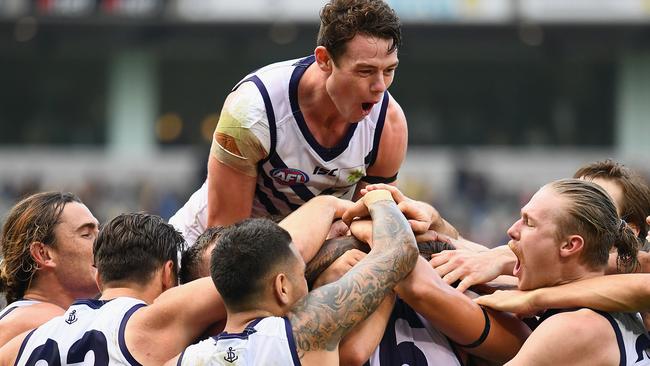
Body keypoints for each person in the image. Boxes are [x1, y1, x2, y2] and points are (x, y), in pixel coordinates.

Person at [170, 0, 409, 244]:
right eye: (365, 71)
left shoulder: (388, 124)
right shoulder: (253, 110)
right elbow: (225, 243)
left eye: (389, 71)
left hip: (302, 249)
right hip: (201, 246)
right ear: (324, 59)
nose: (380, 86)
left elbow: (368, 230)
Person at [169, 189, 419, 365]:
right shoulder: (307, 330)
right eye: (302, 271)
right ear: (282, 286)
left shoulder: (185, 359)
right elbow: (400, 250)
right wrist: (379, 197)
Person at [0, 213, 228, 366]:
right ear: (168, 274)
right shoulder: (153, 320)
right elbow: (246, 278)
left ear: (98, 277)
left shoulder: (24, 343)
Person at [479, 178, 646, 365]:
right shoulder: (631, 313)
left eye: (529, 222)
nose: (512, 230)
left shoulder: (573, 328)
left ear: (570, 245)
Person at [431, 159, 650, 292]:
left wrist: (504, 258)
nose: (583, 205)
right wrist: (439, 227)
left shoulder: (591, 320)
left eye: (600, 204)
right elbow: (478, 260)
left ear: (630, 230)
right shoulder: (550, 288)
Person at [0, 192, 100, 347]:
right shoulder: (46, 322)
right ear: (43, 254)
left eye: (99, 233)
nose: (103, 244)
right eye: (87, 235)